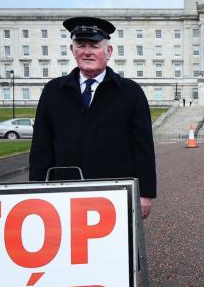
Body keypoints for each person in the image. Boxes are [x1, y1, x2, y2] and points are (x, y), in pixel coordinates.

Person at [29, 16, 156, 218]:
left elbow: (143, 148)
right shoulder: (53, 91)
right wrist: (35, 191)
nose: (87, 51)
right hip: (63, 192)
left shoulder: (131, 92)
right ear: (72, 50)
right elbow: (41, 147)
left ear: (108, 51)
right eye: (81, 45)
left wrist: (146, 193)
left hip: (115, 194)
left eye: (95, 45)